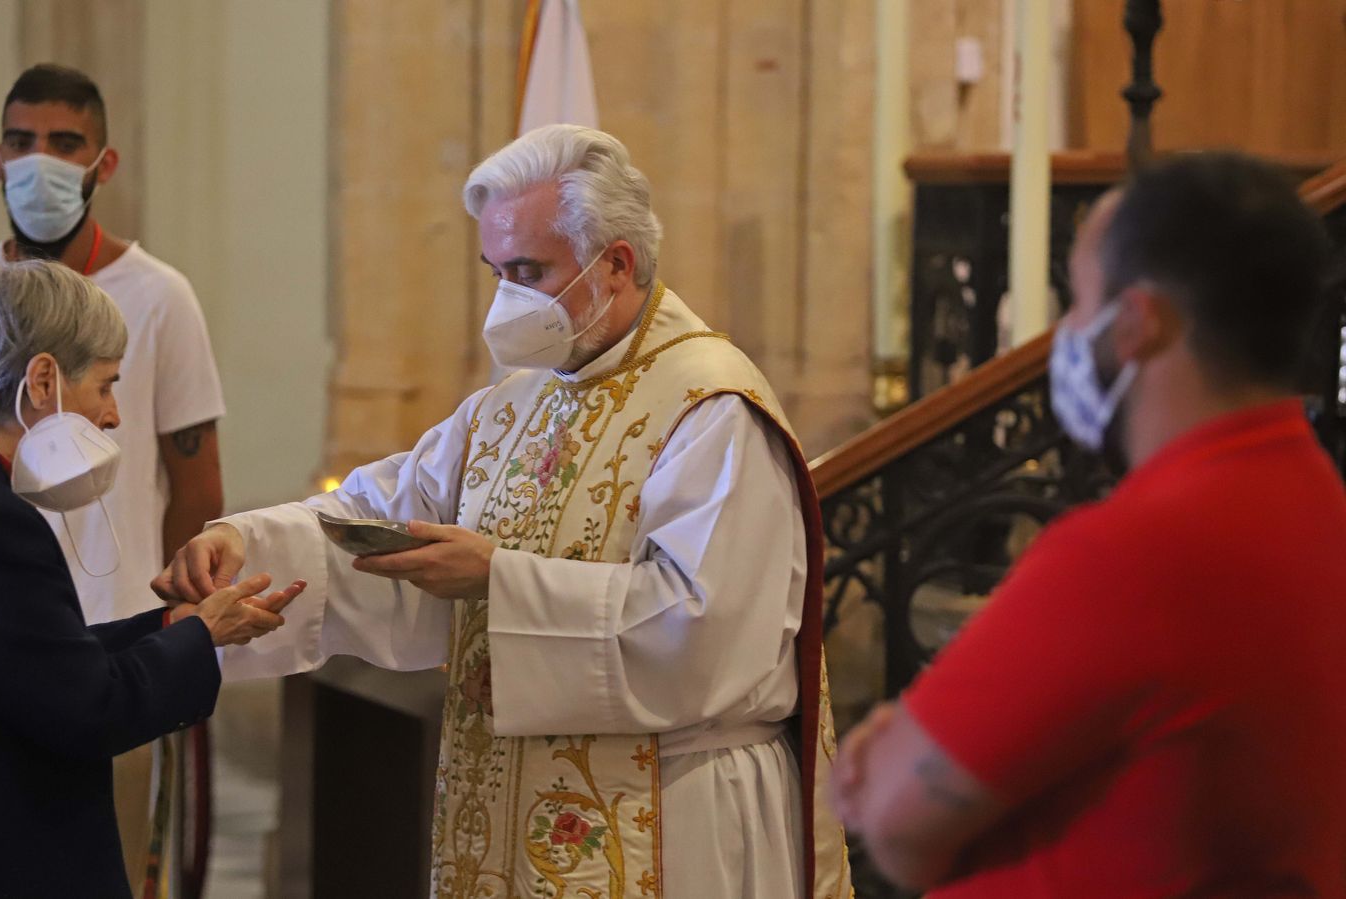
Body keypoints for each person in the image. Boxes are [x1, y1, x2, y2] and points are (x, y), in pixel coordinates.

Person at [155, 124, 852, 899]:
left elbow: (708, 633)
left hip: (674, 810)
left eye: (527, 270)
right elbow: (381, 513)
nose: (507, 299)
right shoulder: (520, 400)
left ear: (615, 263)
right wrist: (239, 543)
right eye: (496, 271)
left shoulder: (712, 408)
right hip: (518, 802)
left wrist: (499, 578)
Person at [833, 152, 1346, 897]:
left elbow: (896, 826)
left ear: (1137, 322)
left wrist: (898, 760)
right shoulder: (1317, 500)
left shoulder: (1138, 551)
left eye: (1078, 300)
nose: (1069, 334)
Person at [0, 260, 303, 898]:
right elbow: (90, 709)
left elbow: (28, 664)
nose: (113, 416)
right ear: (42, 380)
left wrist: (170, 625)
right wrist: (201, 636)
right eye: (106, 385)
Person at [0, 63, 227, 889]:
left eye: (64, 142)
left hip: (111, 635)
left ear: (102, 163)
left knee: (107, 864)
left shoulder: (160, 297)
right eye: (21, 141)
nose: (38, 160)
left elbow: (196, 483)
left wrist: (179, 619)